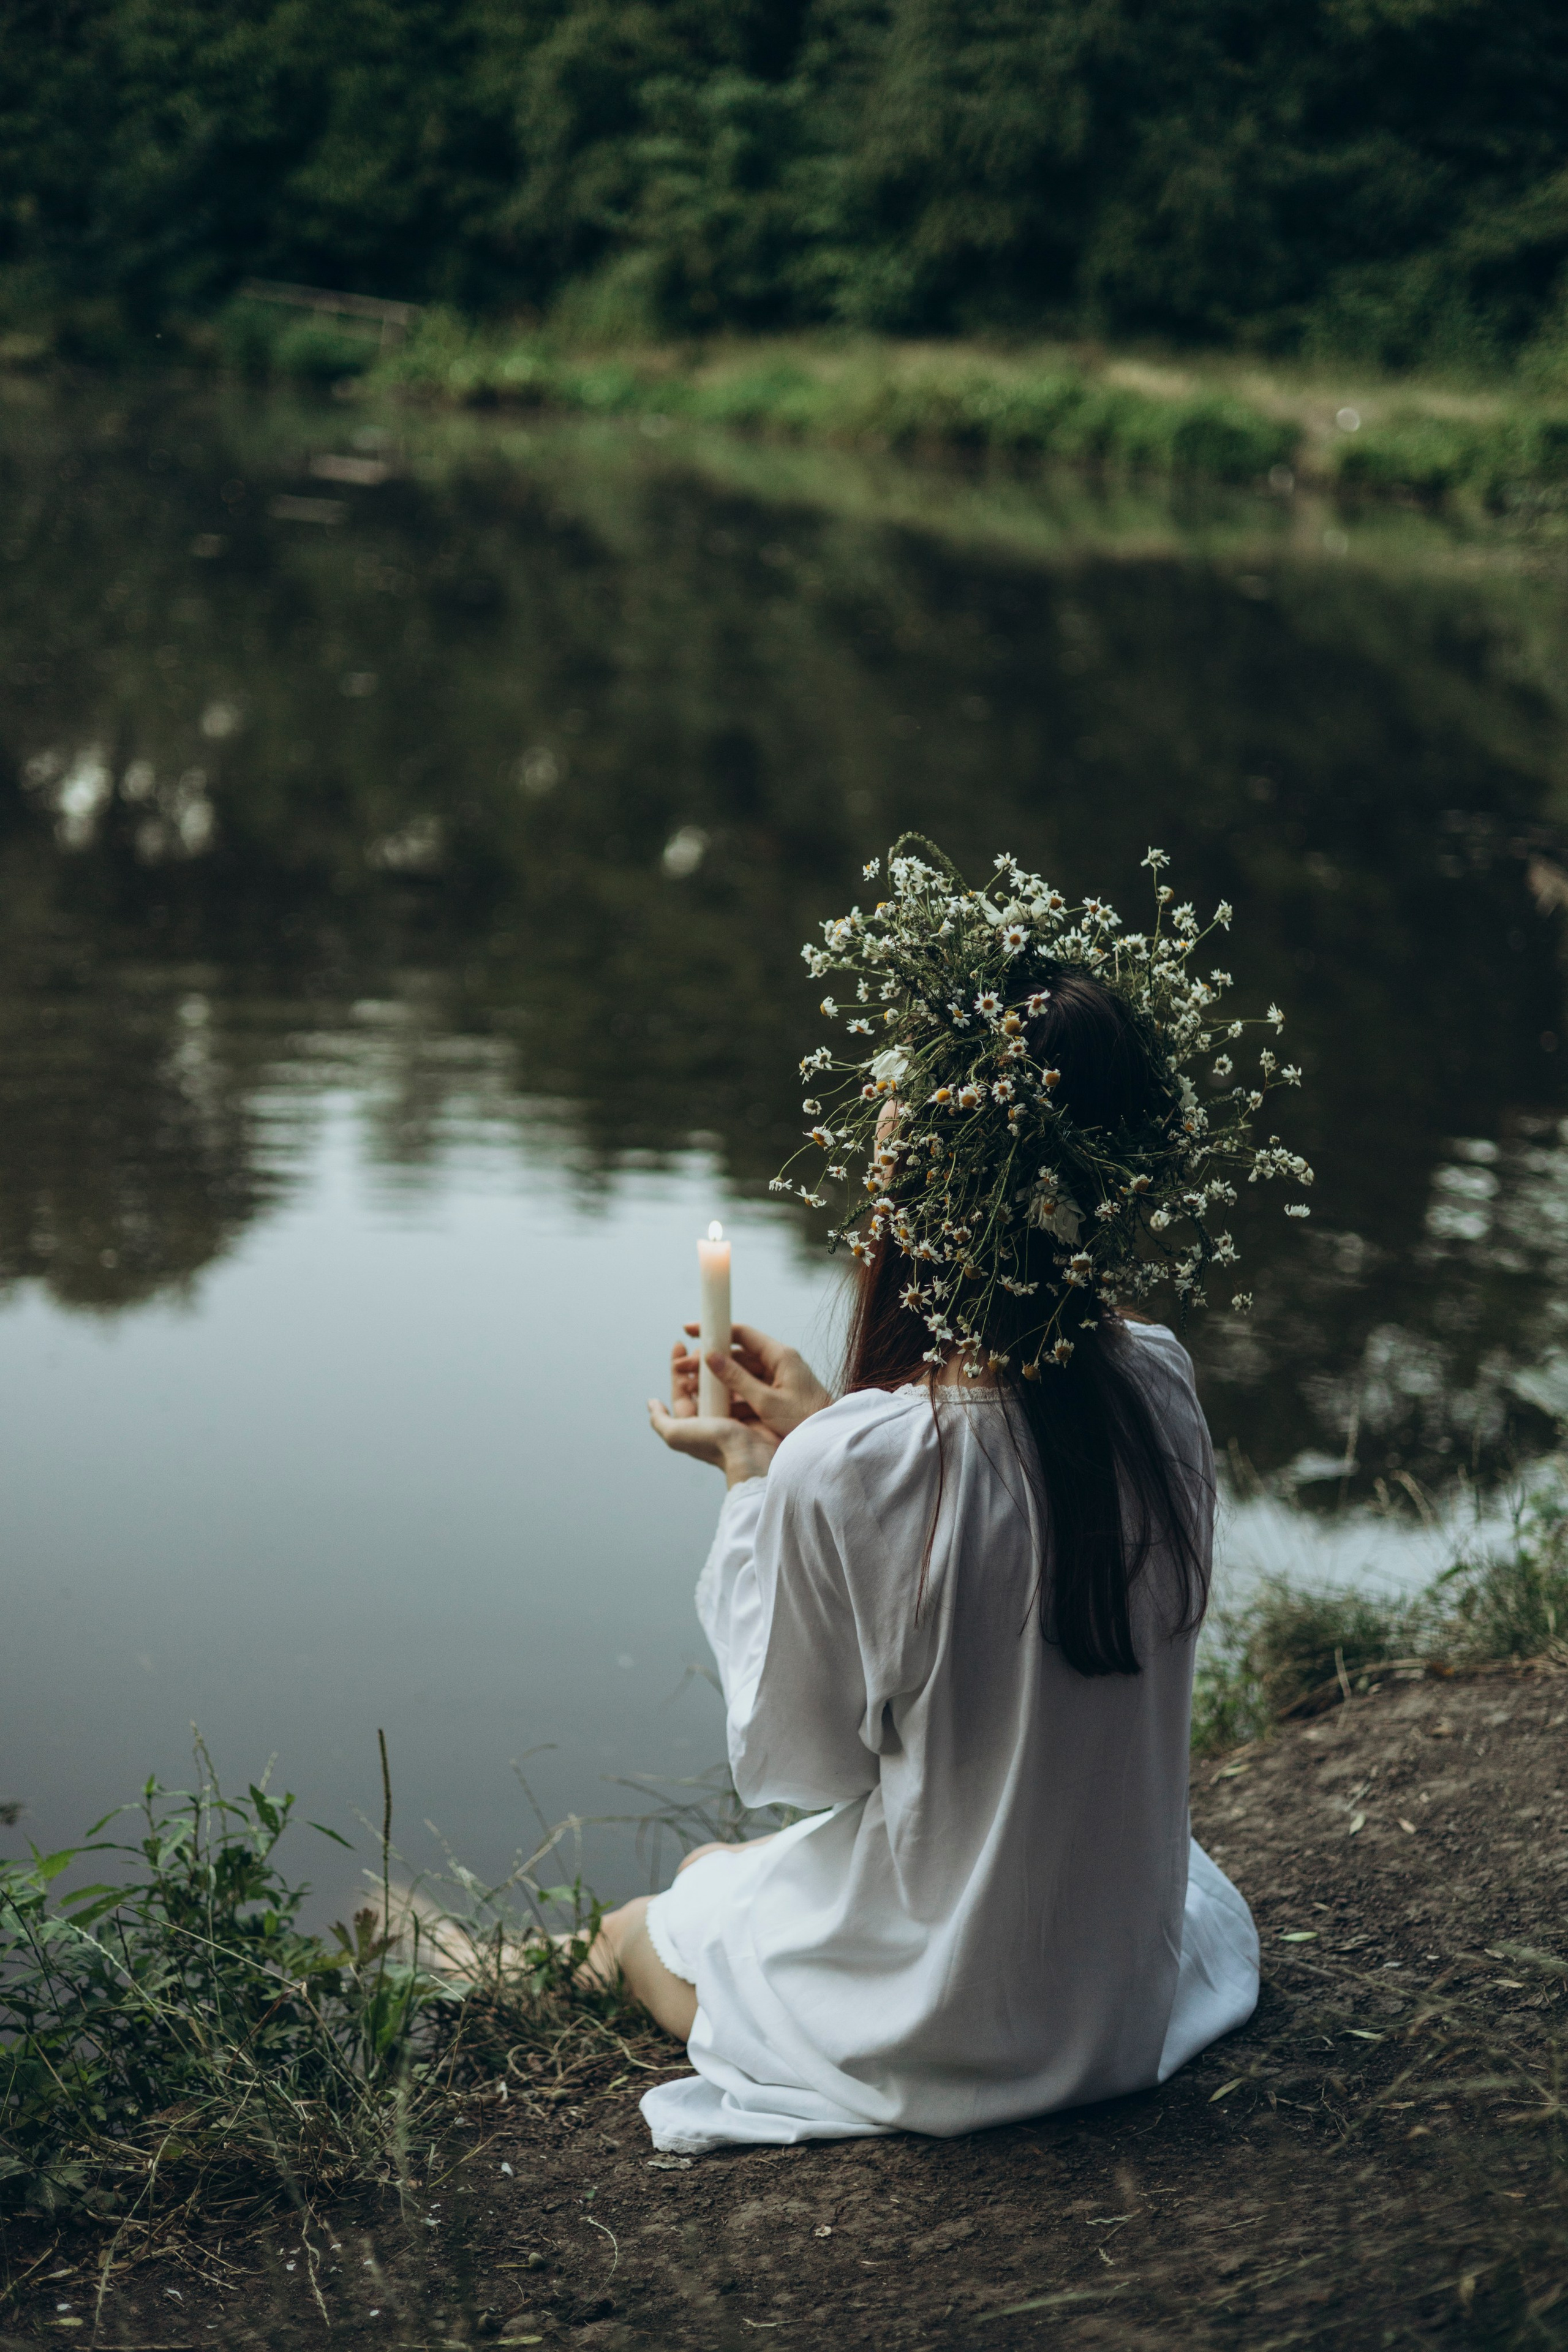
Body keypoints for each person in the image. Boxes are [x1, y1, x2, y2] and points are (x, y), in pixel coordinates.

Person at [589, 845, 1300, 2153]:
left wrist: (761, 1480)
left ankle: (502, 1967)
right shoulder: (1155, 1385)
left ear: (934, 1195)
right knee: (719, 1887)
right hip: (1118, 1993)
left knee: (643, 1925)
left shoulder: (855, 1463)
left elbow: (798, 1765)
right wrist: (819, 1439)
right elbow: (995, 1474)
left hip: (948, 2016)